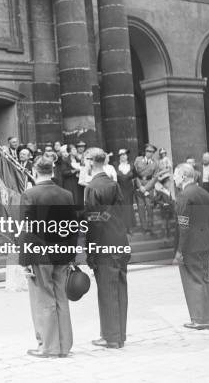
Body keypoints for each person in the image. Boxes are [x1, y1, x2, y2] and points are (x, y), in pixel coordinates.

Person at [18, 156, 77, 358]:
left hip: (40, 254)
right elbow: (73, 228)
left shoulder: (30, 194)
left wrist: (24, 261)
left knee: (43, 299)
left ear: (35, 171)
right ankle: (64, 345)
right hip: (62, 253)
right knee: (61, 297)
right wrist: (71, 255)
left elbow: (27, 230)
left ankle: (49, 347)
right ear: (52, 171)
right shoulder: (67, 194)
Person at [85, 148, 130, 349]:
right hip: (120, 241)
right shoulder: (114, 185)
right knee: (120, 289)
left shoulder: (91, 187)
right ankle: (119, 334)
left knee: (106, 291)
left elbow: (93, 223)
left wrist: (90, 251)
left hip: (104, 245)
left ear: (90, 162)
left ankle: (111, 337)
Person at [172, 163, 209, 330]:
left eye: (175, 175)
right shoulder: (205, 194)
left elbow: (183, 225)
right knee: (205, 278)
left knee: (193, 280)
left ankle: (200, 319)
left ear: (183, 176)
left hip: (190, 245)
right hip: (204, 242)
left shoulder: (184, 196)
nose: (174, 178)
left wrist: (179, 250)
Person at [134, 144, 158, 234]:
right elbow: (135, 174)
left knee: (149, 207)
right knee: (141, 207)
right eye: (147, 151)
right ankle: (144, 227)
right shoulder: (138, 160)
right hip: (139, 185)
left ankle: (150, 227)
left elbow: (155, 177)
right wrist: (140, 186)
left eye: (151, 152)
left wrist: (146, 188)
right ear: (145, 151)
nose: (149, 153)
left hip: (149, 186)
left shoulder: (155, 163)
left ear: (153, 153)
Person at [115, 149, 136, 233]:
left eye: (125, 155)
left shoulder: (131, 165)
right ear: (119, 157)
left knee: (129, 207)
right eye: (122, 155)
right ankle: (123, 227)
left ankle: (129, 227)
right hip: (120, 189)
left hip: (129, 189)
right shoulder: (115, 165)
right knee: (121, 207)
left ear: (127, 156)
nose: (123, 156)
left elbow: (135, 176)